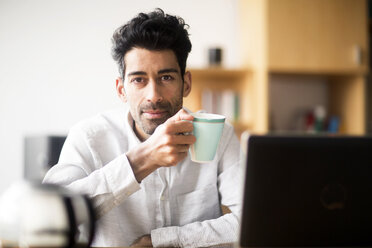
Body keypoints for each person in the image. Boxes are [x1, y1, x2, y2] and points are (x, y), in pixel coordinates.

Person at [43, 8, 242, 247]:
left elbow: (250, 223)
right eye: (138, 80)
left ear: (186, 83)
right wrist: (142, 160)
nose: (153, 95)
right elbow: (47, 221)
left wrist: (162, 242)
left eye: (166, 77)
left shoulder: (219, 135)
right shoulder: (89, 137)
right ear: (121, 89)